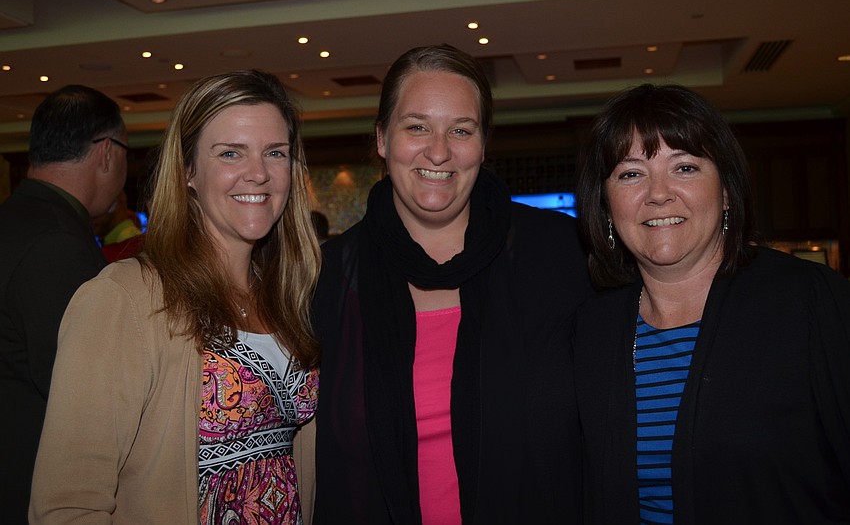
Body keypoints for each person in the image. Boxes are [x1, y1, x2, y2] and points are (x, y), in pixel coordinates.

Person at [311, 44, 592, 524]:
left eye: (461, 130)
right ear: (382, 138)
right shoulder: (325, 278)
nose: (438, 151)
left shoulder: (562, 255)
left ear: (483, 145)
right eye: (416, 126)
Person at [30, 70, 321, 524]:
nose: (259, 173)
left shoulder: (290, 294)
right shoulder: (123, 300)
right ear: (188, 171)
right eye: (230, 153)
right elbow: (68, 506)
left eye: (275, 153)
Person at [572, 83, 850, 524]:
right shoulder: (591, 331)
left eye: (684, 167)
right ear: (606, 206)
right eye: (630, 173)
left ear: (725, 192)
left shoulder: (811, 304)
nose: (658, 193)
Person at [0, 85, 127, 524]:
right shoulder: (58, 243)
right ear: (108, 152)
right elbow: (81, 392)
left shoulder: (15, 220)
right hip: (30, 488)